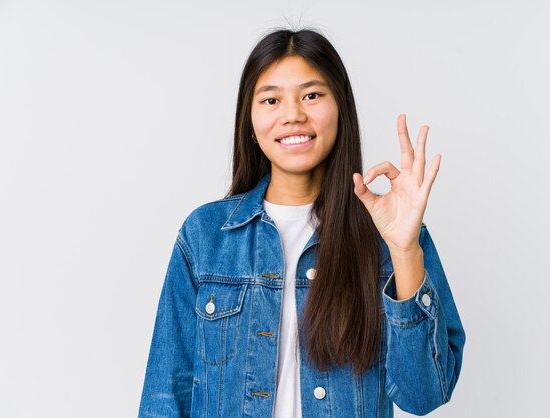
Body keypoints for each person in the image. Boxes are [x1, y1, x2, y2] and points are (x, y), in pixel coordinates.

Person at [138, 27, 465, 418]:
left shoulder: (387, 237)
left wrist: (404, 248)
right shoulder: (205, 237)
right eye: (271, 99)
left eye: (311, 95)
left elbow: (424, 395)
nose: (292, 115)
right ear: (250, 118)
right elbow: (164, 397)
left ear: (340, 106)